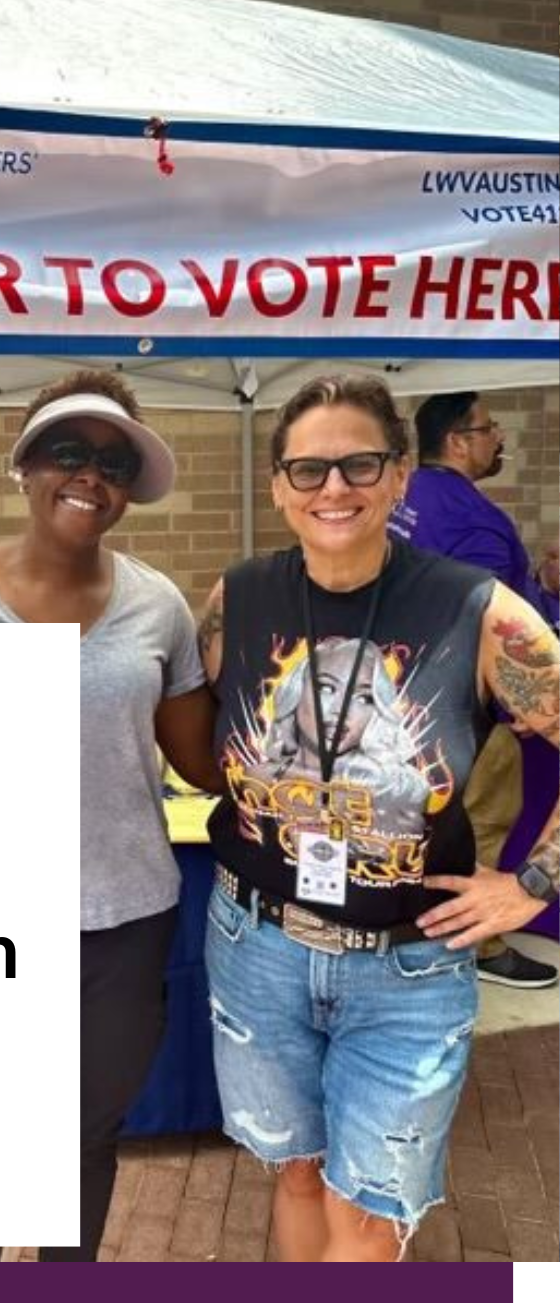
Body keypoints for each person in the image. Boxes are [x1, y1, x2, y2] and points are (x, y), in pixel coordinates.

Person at [198, 374, 559, 1262]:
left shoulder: (476, 610)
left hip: (408, 965)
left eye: (360, 464)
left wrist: (533, 886)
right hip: (258, 947)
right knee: (293, 1173)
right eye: (310, 469)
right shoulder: (236, 600)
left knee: (365, 1211)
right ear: (278, 486)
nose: (335, 489)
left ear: (398, 477)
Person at [0, 369, 221, 1261]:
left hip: (122, 923)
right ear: (27, 465)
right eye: (68, 452)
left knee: (82, 1137)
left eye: (112, 463)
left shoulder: (157, 605)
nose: (90, 476)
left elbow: (202, 759)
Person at [388, 391, 557, 988]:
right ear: (457, 440)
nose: (500, 439)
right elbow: (484, 622)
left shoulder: (401, 496)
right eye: (490, 429)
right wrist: (512, 701)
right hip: (468, 710)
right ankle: (479, 944)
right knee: (483, 820)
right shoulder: (477, 520)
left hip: (397, 699)